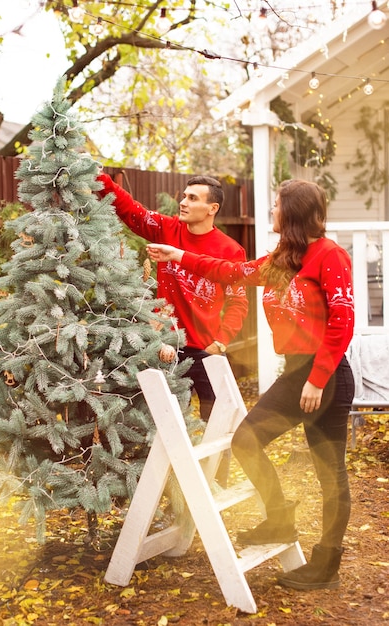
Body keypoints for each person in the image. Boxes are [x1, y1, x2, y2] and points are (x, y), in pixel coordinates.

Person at [147, 178, 355, 591]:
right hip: (298, 373)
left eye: (276, 205)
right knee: (247, 440)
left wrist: (317, 380)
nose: (271, 212)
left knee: (329, 474)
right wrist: (179, 254)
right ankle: (280, 519)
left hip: (325, 377)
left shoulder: (328, 256)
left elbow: (342, 321)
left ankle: (326, 564)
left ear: (292, 213)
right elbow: (230, 271)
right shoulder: (283, 259)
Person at [96, 171, 249, 423]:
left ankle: (216, 465)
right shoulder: (167, 229)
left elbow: (238, 302)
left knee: (218, 421)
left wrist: (220, 342)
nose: (184, 202)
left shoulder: (230, 250)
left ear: (212, 208)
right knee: (170, 422)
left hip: (206, 349)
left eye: (192, 198)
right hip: (166, 346)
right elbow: (130, 209)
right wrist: (98, 177)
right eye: (184, 196)